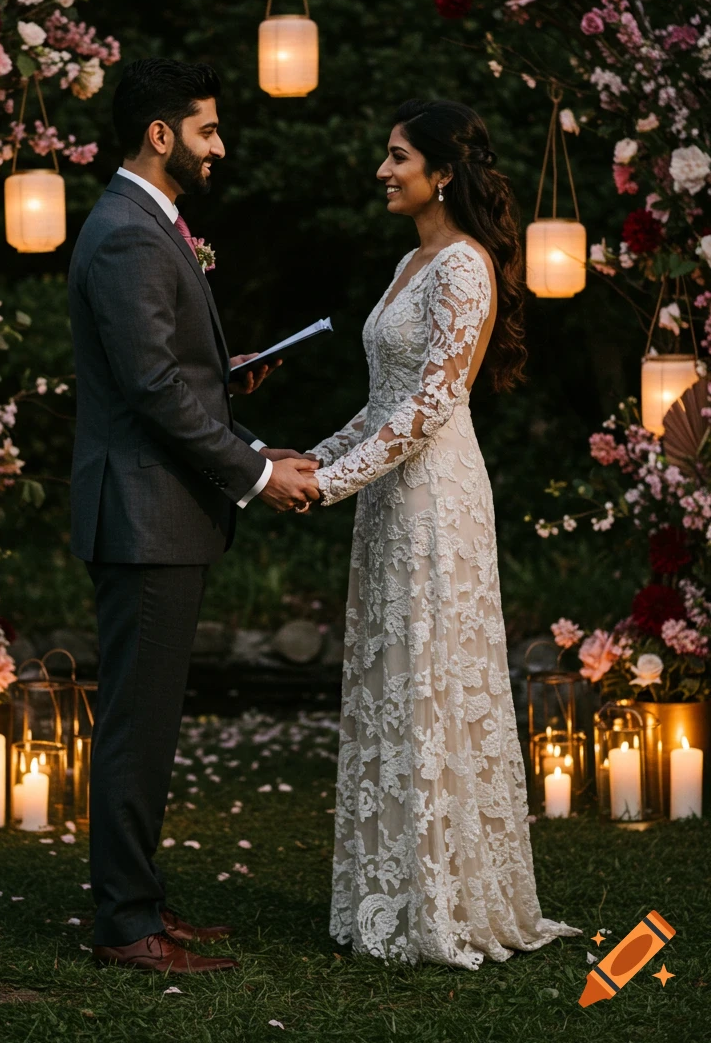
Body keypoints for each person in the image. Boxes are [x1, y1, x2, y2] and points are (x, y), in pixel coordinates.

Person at [304, 98, 582, 968]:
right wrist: (310, 460)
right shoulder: (410, 259)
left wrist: (328, 486)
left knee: (432, 673)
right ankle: (389, 893)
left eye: (397, 157)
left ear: (443, 171)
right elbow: (386, 399)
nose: (383, 171)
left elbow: (430, 406)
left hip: (433, 495)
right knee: (395, 674)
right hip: (390, 491)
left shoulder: (463, 267)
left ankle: (449, 898)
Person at [67, 58, 319, 975]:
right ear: (162, 136)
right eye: (209, 130)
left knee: (151, 724)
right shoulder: (130, 233)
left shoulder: (147, 222)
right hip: (143, 520)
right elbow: (153, 393)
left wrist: (234, 395)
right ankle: (128, 928)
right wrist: (254, 471)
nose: (222, 145)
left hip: (159, 513)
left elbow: (177, 377)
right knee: (138, 729)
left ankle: (143, 903)